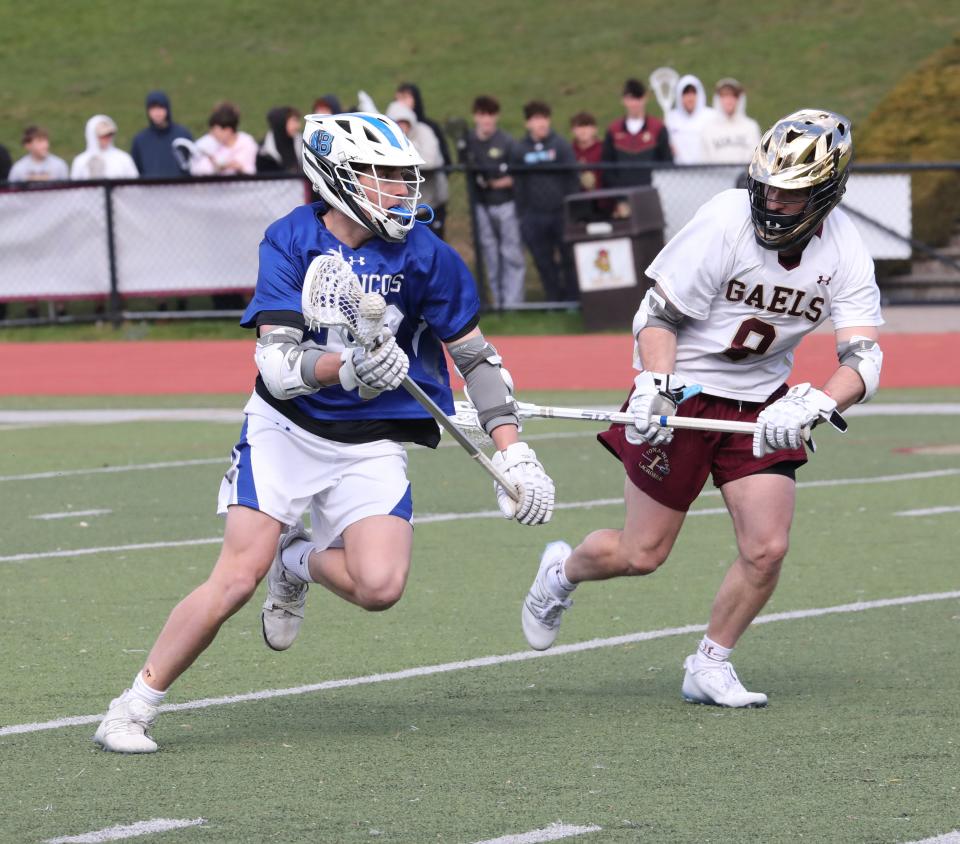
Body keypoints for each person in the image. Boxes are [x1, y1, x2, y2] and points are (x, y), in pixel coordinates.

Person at [93, 111, 556, 753]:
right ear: (339, 176)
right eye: (386, 177)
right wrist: (352, 366)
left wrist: (516, 455)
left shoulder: (426, 254)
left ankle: (297, 559)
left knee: (381, 587)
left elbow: (475, 358)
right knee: (234, 577)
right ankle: (132, 706)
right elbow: (279, 368)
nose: (402, 190)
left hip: (368, 440)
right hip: (288, 429)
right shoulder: (289, 239)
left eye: (404, 177)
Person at [520, 110, 884, 708]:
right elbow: (660, 316)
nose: (771, 200)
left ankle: (710, 662)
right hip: (684, 390)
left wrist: (816, 402)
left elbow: (864, 358)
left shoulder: (846, 249)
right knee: (642, 554)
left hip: (762, 402)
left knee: (767, 547)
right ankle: (561, 572)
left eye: (790, 194)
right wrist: (654, 385)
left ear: (825, 193)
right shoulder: (724, 218)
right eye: (766, 184)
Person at [510, 100, 580, 302]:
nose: (541, 123)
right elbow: (518, 183)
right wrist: (523, 214)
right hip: (533, 215)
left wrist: (569, 208)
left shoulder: (560, 145)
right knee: (543, 260)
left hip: (560, 213)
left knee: (568, 258)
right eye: (536, 119)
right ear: (528, 123)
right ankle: (553, 299)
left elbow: (572, 178)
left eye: (544, 118)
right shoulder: (519, 149)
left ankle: (572, 300)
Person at [465, 95, 525, 309]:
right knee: (490, 256)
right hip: (480, 207)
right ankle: (497, 304)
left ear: (496, 116)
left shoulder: (507, 142)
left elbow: (516, 176)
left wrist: (493, 183)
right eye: (482, 114)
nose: (487, 119)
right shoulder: (469, 141)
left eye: (491, 114)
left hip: (506, 204)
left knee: (511, 253)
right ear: (475, 116)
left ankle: (514, 305)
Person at [385, 100, 449, 240]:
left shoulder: (424, 131)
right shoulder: (387, 138)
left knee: (433, 246)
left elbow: (430, 160)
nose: (401, 126)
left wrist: (405, 145)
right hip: (404, 210)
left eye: (404, 122)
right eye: (396, 122)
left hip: (431, 204)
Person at [602, 78, 672, 188]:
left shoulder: (658, 128)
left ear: (644, 99)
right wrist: (620, 198)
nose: (634, 103)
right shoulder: (613, 130)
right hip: (623, 196)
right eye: (630, 99)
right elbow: (607, 168)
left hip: (651, 194)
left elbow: (667, 164)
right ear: (624, 100)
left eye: (637, 98)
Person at [130, 90, 194, 178]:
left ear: (167, 109)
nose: (157, 113)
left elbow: (192, 165)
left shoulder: (182, 135)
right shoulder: (140, 140)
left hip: (179, 189)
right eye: (153, 108)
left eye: (160, 107)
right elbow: (136, 171)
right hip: (149, 190)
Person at [701, 78, 762, 165]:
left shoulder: (751, 127)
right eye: (724, 96)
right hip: (716, 177)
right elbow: (704, 162)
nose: (729, 100)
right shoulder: (708, 129)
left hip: (744, 177)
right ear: (718, 99)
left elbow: (756, 159)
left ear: (739, 99)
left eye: (733, 95)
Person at [189, 101, 258, 176]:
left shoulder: (246, 143)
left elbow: (250, 171)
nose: (212, 134)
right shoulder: (206, 143)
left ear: (228, 131)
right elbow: (197, 170)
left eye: (215, 131)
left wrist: (232, 167)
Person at [664, 74, 714, 164]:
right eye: (686, 93)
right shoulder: (671, 118)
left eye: (693, 93)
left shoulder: (711, 116)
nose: (690, 98)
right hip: (678, 172)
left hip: (705, 171)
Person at [70, 115, 139, 179]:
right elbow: (74, 189)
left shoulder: (123, 159)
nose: (106, 138)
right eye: (102, 136)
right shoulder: (80, 161)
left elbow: (134, 186)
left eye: (109, 134)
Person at [256, 106, 303, 173]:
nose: (298, 126)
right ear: (281, 122)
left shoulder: (303, 143)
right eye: (294, 121)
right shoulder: (264, 151)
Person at [570, 111, 603, 192]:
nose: (583, 130)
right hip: (576, 199)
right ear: (572, 130)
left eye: (587, 126)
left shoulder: (604, 149)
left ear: (595, 129)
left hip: (601, 199)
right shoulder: (568, 151)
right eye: (579, 127)